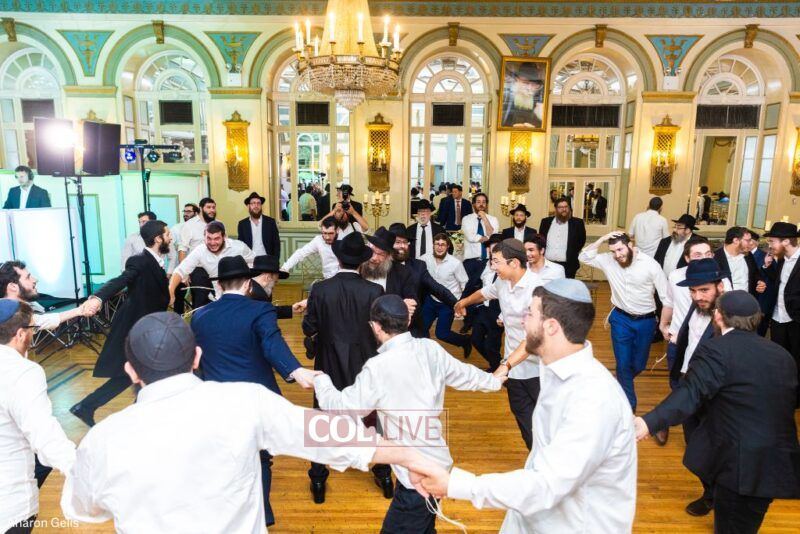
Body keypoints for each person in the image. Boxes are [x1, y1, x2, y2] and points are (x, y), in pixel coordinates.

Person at [61, 311, 433, 533]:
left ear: (130, 371)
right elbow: (333, 436)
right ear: (196, 357)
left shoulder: (102, 440)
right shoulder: (245, 401)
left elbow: (82, 509)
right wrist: (411, 456)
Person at [417, 279, 637, 533]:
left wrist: (456, 484)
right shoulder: (554, 369)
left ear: (551, 327)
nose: (522, 321)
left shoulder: (592, 398)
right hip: (533, 520)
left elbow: (547, 485)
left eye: (529, 313)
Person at [314, 295, 504, 533]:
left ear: (376, 326)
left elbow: (343, 408)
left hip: (418, 477)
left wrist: (321, 381)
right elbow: (465, 375)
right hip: (434, 463)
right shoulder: (430, 348)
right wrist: (494, 380)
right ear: (407, 321)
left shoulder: (378, 367)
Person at [635, 291, 800, 533]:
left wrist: (649, 422)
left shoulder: (716, 349)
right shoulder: (782, 355)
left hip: (739, 467)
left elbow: (690, 393)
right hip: (773, 464)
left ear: (719, 316)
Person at [191, 256, 318, 527]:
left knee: (225, 458)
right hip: (254, 401)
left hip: (216, 400)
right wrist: (296, 371)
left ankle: (230, 514)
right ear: (249, 284)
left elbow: (197, 361)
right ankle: (262, 513)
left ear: (220, 285)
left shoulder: (200, 316)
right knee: (261, 458)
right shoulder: (260, 310)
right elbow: (272, 344)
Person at [301, 232, 389, 503]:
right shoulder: (374, 291)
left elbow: (309, 326)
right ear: (361, 262)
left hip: (328, 363)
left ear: (338, 259)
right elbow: (381, 332)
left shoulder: (320, 289)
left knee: (322, 420)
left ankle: (318, 479)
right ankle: (384, 474)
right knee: (372, 418)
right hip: (365, 364)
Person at [69, 220, 174, 427]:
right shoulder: (139, 261)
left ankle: (87, 407)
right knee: (145, 373)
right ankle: (131, 417)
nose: (171, 238)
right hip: (135, 328)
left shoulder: (155, 261)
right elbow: (121, 280)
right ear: (158, 239)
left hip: (148, 328)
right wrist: (98, 298)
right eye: (168, 234)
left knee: (135, 374)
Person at [455, 239, 543, 450]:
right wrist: (463, 302)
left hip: (540, 369)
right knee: (524, 421)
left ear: (514, 263)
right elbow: (485, 293)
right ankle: (538, 461)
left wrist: (505, 365)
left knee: (545, 421)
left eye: (496, 262)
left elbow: (533, 337)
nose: (493, 267)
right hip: (515, 369)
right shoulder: (503, 282)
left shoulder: (537, 288)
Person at [0, 299, 75, 534]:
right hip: (9, 506)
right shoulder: (22, 372)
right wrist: (82, 470)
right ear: (21, 334)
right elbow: (44, 436)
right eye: (32, 329)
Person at [579, 232, 668, 411]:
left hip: (646, 321)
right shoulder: (608, 260)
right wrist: (602, 238)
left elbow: (666, 297)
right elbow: (584, 257)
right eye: (613, 251)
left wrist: (664, 324)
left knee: (639, 365)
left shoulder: (651, 265)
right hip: (620, 319)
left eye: (620, 249)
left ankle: (615, 386)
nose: (617, 255)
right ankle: (629, 407)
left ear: (630, 244)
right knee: (623, 363)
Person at [667, 258, 729, 514]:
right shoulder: (698, 307)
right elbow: (688, 343)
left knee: (716, 448)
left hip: (714, 394)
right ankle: (710, 492)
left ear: (720, 287)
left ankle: (722, 497)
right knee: (695, 447)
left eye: (704, 290)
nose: (697, 296)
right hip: (688, 385)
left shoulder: (731, 318)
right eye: (692, 291)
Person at [659, 237, 732, 395]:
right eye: (698, 255)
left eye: (708, 254)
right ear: (687, 258)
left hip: (707, 354)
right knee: (678, 388)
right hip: (678, 342)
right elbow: (669, 302)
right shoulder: (675, 277)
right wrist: (664, 325)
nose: (698, 296)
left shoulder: (722, 283)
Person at [387, 223, 457, 339]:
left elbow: (436, 288)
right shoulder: (381, 267)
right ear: (389, 244)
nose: (402, 246)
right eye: (398, 242)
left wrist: (457, 304)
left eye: (405, 242)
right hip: (389, 328)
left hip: (415, 328)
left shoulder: (418, 266)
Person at [169, 221, 255, 307]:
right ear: (204, 237)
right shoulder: (200, 250)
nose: (212, 243)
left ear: (224, 237)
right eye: (209, 238)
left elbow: (255, 264)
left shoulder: (239, 247)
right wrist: (171, 290)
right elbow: (180, 270)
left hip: (242, 297)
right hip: (218, 298)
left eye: (216, 238)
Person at [0, 261, 87, 331]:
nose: (35, 280)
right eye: (28, 277)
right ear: (13, 286)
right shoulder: (9, 317)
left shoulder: (18, 313)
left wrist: (79, 310)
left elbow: (42, 321)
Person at [422, 233, 471, 358]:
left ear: (447, 246)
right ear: (433, 245)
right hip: (431, 300)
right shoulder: (425, 259)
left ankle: (465, 341)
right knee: (421, 328)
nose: (439, 247)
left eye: (443, 245)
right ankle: (426, 354)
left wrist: (461, 304)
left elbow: (464, 284)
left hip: (448, 304)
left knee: (442, 334)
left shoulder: (455, 263)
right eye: (437, 244)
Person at [763, 222, 800, 385]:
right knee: (779, 358)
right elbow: (781, 284)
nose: (769, 245)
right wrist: (768, 267)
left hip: (796, 319)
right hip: (778, 317)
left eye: (772, 241)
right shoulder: (782, 260)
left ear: (785, 241)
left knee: (796, 360)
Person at [460, 193, 499, 331]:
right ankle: (467, 322)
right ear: (473, 204)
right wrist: (487, 237)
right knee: (469, 291)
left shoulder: (493, 219)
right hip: (471, 261)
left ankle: (482, 323)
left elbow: (493, 235)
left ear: (486, 204)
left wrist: (485, 219)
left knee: (485, 291)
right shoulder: (466, 219)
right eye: (478, 201)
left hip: (488, 261)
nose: (481, 204)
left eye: (483, 202)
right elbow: (470, 237)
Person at [470, 234, 504, 372]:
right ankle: (497, 364)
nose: (492, 251)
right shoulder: (484, 265)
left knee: (492, 345)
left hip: (498, 311)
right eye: (490, 248)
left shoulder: (506, 266)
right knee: (475, 339)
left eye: (495, 248)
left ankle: (498, 368)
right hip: (484, 309)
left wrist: (502, 314)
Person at [362, 227, 417, 310]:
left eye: (381, 254)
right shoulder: (357, 265)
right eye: (372, 251)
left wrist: (403, 306)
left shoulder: (403, 273)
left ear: (389, 256)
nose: (374, 258)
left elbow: (413, 303)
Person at [178, 197, 218, 306]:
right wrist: (184, 273)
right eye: (208, 207)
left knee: (217, 300)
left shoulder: (219, 224)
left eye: (213, 207)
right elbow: (182, 250)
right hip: (198, 270)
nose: (212, 210)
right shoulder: (189, 225)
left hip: (217, 269)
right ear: (201, 208)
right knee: (200, 302)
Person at [538, 196, 586, 279]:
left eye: (566, 207)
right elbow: (541, 240)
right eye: (560, 207)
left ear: (569, 208)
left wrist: (572, 252)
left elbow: (581, 241)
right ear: (556, 209)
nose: (564, 209)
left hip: (568, 266)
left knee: (566, 287)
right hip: (547, 264)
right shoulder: (545, 222)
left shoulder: (578, 223)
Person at [714, 226, 763, 296]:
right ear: (736, 240)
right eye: (748, 240)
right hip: (726, 300)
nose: (751, 243)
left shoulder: (748, 255)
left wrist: (760, 282)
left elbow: (755, 273)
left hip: (747, 299)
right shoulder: (715, 258)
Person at [500, 62, 544, 129]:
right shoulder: (506, 95)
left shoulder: (540, 99)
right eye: (525, 83)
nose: (529, 88)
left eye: (533, 84)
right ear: (517, 80)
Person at [248, 255, 293, 319]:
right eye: (275, 281)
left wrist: (292, 309)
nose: (276, 283)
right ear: (268, 277)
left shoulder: (256, 288)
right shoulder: (255, 294)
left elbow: (266, 310)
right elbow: (265, 313)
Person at [236, 192, 280, 258]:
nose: (256, 206)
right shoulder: (242, 224)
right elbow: (241, 245)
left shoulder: (270, 222)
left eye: (258, 203)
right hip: (250, 260)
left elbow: (276, 244)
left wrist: (275, 260)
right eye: (253, 203)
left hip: (267, 259)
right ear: (248, 206)